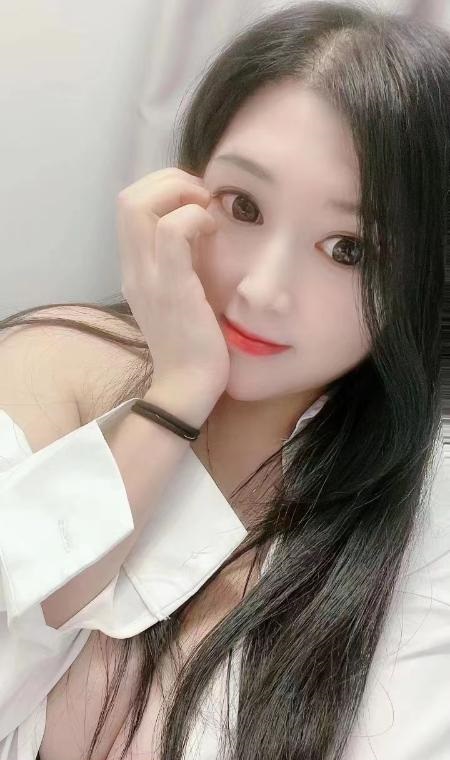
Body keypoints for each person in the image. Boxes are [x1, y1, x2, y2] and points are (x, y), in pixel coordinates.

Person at [0, 1, 449, 759]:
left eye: (349, 249)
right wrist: (177, 396)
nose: (263, 290)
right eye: (243, 207)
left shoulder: (426, 507)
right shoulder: (57, 361)